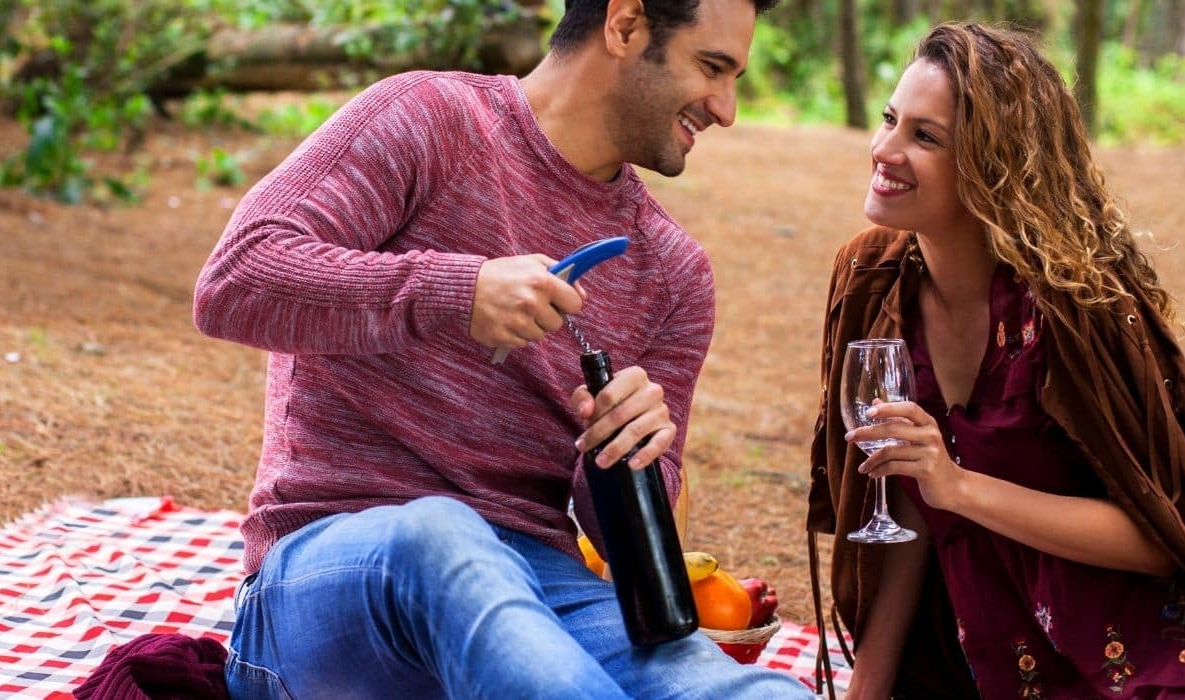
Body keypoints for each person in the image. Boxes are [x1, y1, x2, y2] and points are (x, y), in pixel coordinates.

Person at [192, 1, 814, 697]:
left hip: (543, 590)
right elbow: (234, 280)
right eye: (712, 67)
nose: (726, 109)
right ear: (626, 24)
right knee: (441, 538)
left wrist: (626, 452)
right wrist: (458, 292)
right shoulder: (430, 119)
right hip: (333, 582)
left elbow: (629, 548)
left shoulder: (672, 273)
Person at [804, 23, 1185, 700]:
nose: (884, 150)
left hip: (1159, 646)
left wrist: (959, 487)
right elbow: (904, 513)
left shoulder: (1076, 306)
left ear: (992, 166)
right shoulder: (876, 278)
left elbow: (1164, 536)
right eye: (892, 120)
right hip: (996, 656)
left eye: (925, 137)